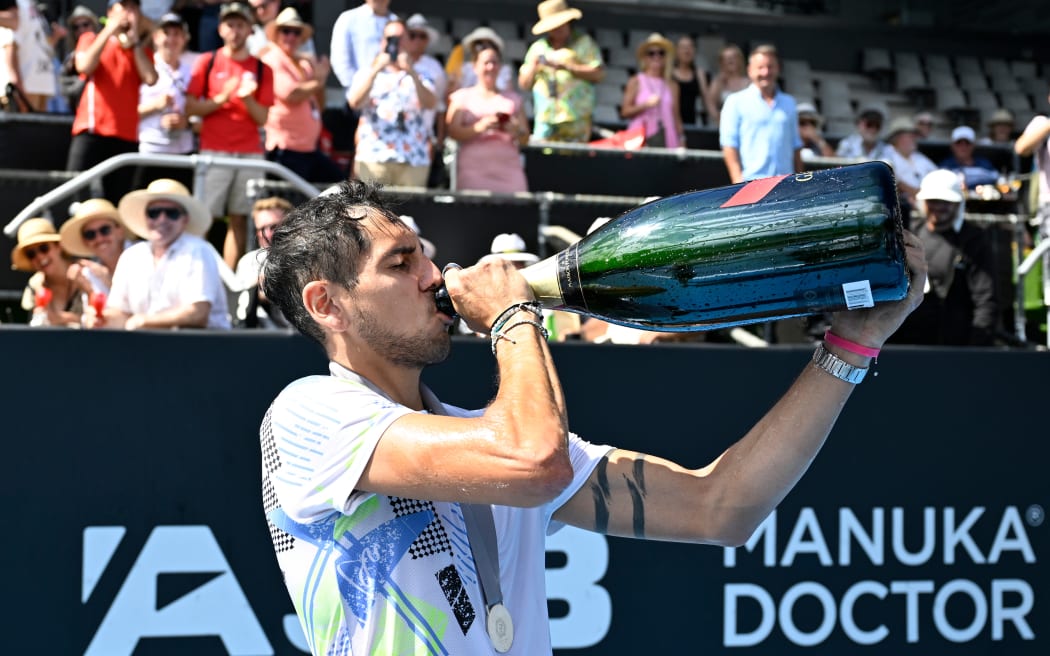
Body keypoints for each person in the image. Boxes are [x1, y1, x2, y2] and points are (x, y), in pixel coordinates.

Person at [257, 179, 926, 656]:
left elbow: (721, 508)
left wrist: (852, 342)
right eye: (401, 263)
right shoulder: (309, 416)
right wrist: (514, 313)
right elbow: (532, 459)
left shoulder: (479, 435)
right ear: (327, 305)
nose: (435, 275)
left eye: (425, 253)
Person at [185, 1, 274, 270]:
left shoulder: (262, 68)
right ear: (221, 28)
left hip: (250, 153)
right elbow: (189, 107)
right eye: (230, 24)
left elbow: (263, 118)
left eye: (241, 25)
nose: (235, 30)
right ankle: (197, 273)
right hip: (214, 151)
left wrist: (246, 99)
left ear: (250, 30)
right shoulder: (207, 61)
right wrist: (221, 99)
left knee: (241, 219)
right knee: (203, 217)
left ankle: (231, 282)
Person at [102, 177, 230, 329]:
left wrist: (145, 322)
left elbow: (198, 313)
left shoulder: (199, 250)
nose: (162, 219)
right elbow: (120, 313)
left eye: (172, 213)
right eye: (154, 213)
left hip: (200, 347)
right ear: (145, 217)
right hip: (148, 346)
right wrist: (101, 319)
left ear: (185, 220)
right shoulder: (131, 256)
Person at [888, 169, 999, 346]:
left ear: (958, 204)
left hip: (954, 345)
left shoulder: (974, 240)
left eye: (946, 201)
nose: (939, 207)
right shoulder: (910, 234)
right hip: (908, 342)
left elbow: (986, 299)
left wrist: (976, 349)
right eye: (933, 201)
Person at [65, 0, 158, 205]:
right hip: (92, 131)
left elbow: (151, 78)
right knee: (75, 196)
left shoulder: (139, 51)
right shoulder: (90, 38)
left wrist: (134, 43)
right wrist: (109, 31)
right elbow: (84, 66)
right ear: (110, 12)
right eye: (123, 7)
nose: (128, 13)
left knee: (118, 202)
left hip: (126, 136)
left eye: (133, 8)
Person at [347, 18, 436, 188]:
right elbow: (355, 102)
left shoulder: (423, 73)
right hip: (374, 157)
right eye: (390, 38)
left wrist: (411, 72)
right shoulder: (366, 72)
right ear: (382, 42)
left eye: (401, 38)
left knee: (411, 213)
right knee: (372, 213)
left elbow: (430, 102)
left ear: (409, 42)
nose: (396, 44)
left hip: (413, 159)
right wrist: (376, 70)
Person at [259, 7, 343, 183]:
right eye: (286, 31)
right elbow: (290, 94)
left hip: (308, 149)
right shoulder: (272, 58)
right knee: (289, 204)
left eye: (296, 32)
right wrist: (318, 82)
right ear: (277, 33)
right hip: (285, 149)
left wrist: (319, 82)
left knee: (339, 185)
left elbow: (319, 105)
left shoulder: (303, 64)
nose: (291, 36)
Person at [446, 40, 529, 193]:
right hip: (473, 173)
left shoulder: (514, 99)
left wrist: (515, 129)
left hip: (509, 173)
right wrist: (480, 127)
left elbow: (525, 139)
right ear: (474, 67)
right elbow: (452, 131)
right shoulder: (462, 97)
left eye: (495, 62)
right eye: (486, 63)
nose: (491, 67)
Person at [518, 0, 605, 143]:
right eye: (553, 26)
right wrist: (534, 67)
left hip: (576, 118)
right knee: (543, 161)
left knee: (575, 161)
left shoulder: (584, 43)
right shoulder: (537, 48)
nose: (557, 29)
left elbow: (598, 74)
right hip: (546, 118)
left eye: (560, 25)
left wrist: (567, 67)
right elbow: (524, 84)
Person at [719, 43, 802, 183]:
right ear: (750, 70)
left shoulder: (790, 103)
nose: (766, 72)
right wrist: (738, 182)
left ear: (778, 69)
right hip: (752, 183)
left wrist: (799, 183)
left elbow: (795, 145)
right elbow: (729, 145)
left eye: (770, 67)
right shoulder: (735, 102)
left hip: (786, 184)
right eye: (760, 67)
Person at [135, 11, 196, 189]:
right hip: (150, 152)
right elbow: (124, 113)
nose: (171, 39)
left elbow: (202, 116)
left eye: (177, 34)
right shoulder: (143, 67)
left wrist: (186, 123)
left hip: (183, 154)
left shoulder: (193, 72)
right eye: (166, 33)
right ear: (155, 37)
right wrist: (156, 106)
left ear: (185, 39)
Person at [11, 217, 84, 326]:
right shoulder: (35, 285)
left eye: (44, 248)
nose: (39, 257)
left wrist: (62, 318)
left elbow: (104, 322)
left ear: (58, 247)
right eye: (31, 254)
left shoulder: (86, 274)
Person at [233, 195, 291, 328]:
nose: (267, 234)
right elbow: (242, 306)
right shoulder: (249, 262)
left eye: (274, 226)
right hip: (259, 337)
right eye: (261, 229)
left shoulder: (310, 257)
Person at [58, 197, 133, 296]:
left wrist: (108, 281)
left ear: (120, 230)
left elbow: (144, 307)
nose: (99, 238)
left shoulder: (145, 254)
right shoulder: (89, 273)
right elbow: (95, 311)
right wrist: (88, 290)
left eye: (105, 230)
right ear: (85, 242)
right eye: (90, 234)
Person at [620, 33, 683, 149]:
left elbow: (676, 118)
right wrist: (646, 105)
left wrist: (682, 141)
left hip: (668, 138)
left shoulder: (673, 85)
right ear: (645, 57)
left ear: (665, 57)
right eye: (651, 53)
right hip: (641, 137)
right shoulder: (636, 81)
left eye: (661, 53)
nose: (656, 56)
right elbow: (625, 111)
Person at [0, 0, 56, 112]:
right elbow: (11, 46)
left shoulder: (33, 6)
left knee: (39, 127)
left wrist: (56, 37)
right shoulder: (16, 5)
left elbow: (41, 44)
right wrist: (18, 90)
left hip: (40, 84)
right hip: (24, 88)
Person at [885, 116, 936, 218]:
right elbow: (889, 178)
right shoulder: (886, 153)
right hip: (900, 211)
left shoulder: (919, 157)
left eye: (915, 135)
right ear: (897, 137)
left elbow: (939, 175)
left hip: (927, 204)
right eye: (910, 135)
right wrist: (916, 193)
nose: (914, 138)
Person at [445, 26, 514, 97]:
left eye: (489, 44)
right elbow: (451, 96)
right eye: (479, 44)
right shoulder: (463, 68)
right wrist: (452, 82)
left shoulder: (504, 70)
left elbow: (509, 96)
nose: (484, 48)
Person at [56, 5, 99, 112]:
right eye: (76, 27)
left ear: (93, 25)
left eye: (85, 24)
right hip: (81, 112)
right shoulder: (70, 60)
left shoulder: (107, 49)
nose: (81, 30)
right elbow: (66, 88)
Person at [939, 125, 998, 189]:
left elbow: (998, 182)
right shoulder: (944, 166)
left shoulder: (985, 165)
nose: (963, 147)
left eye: (967, 143)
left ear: (973, 145)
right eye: (959, 143)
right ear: (952, 146)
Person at [704, 43, 748, 125]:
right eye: (727, 58)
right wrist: (718, 118)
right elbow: (710, 103)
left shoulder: (749, 82)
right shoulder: (718, 82)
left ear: (740, 60)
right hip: (724, 126)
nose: (730, 60)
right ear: (722, 62)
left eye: (733, 57)